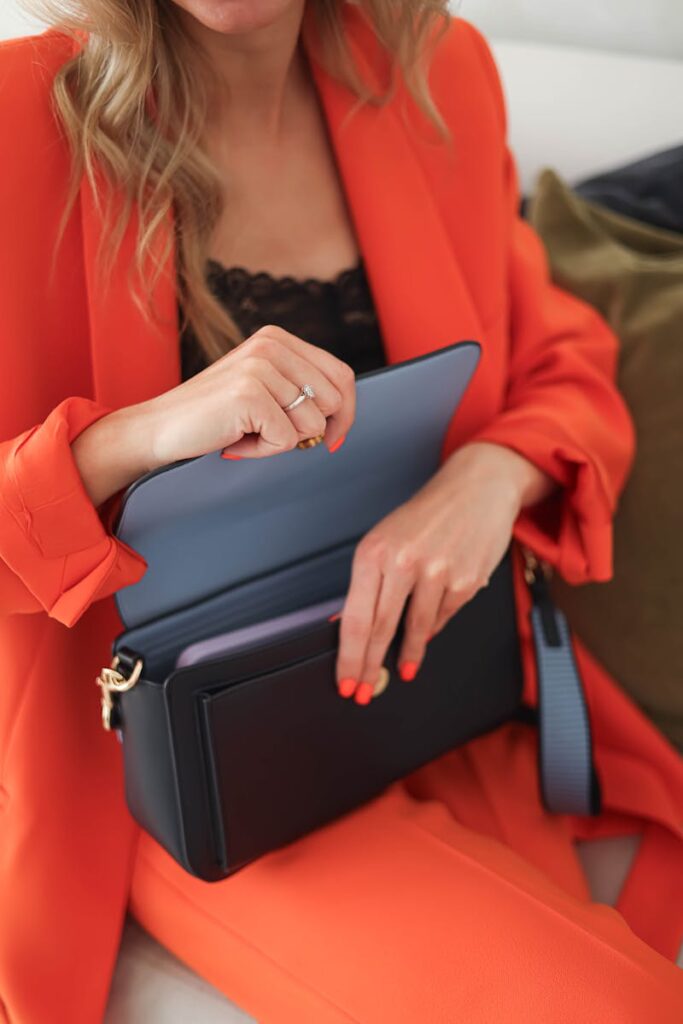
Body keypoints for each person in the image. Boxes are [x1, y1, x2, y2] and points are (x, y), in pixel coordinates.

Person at [0, 2, 681, 1022]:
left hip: (439, 697)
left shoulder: (438, 74)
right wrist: (133, 437)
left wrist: (489, 477)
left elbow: (560, 360)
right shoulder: (20, 119)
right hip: (194, 769)